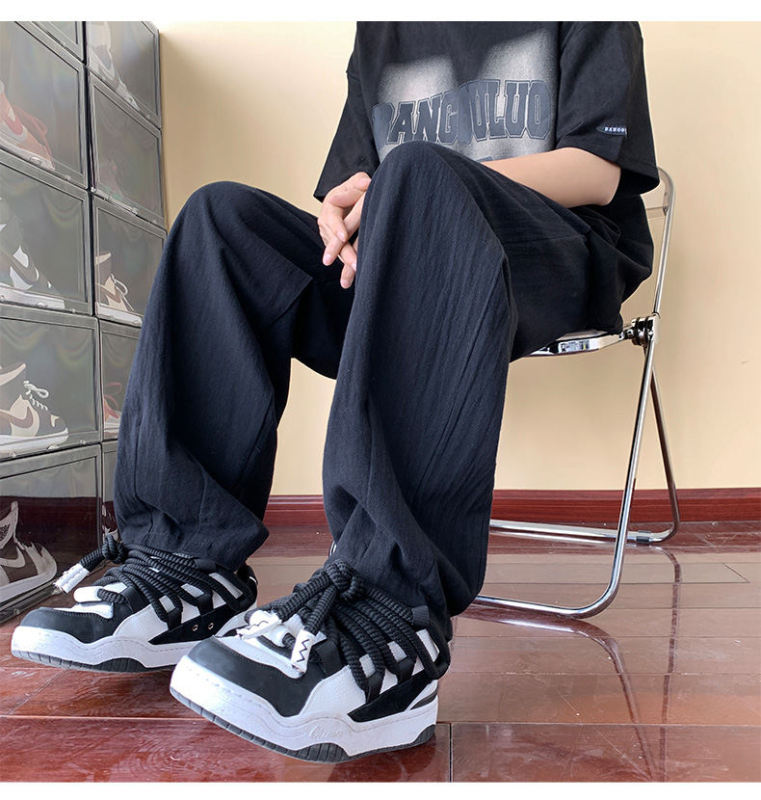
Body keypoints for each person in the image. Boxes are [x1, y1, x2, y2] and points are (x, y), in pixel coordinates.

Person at [10, 22, 659, 763]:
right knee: (222, 220)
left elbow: (596, 172)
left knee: (420, 173)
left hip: (555, 257)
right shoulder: (385, 28)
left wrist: (407, 189)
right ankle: (183, 567)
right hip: (401, 259)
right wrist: (343, 217)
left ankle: (391, 617)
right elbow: (348, 191)